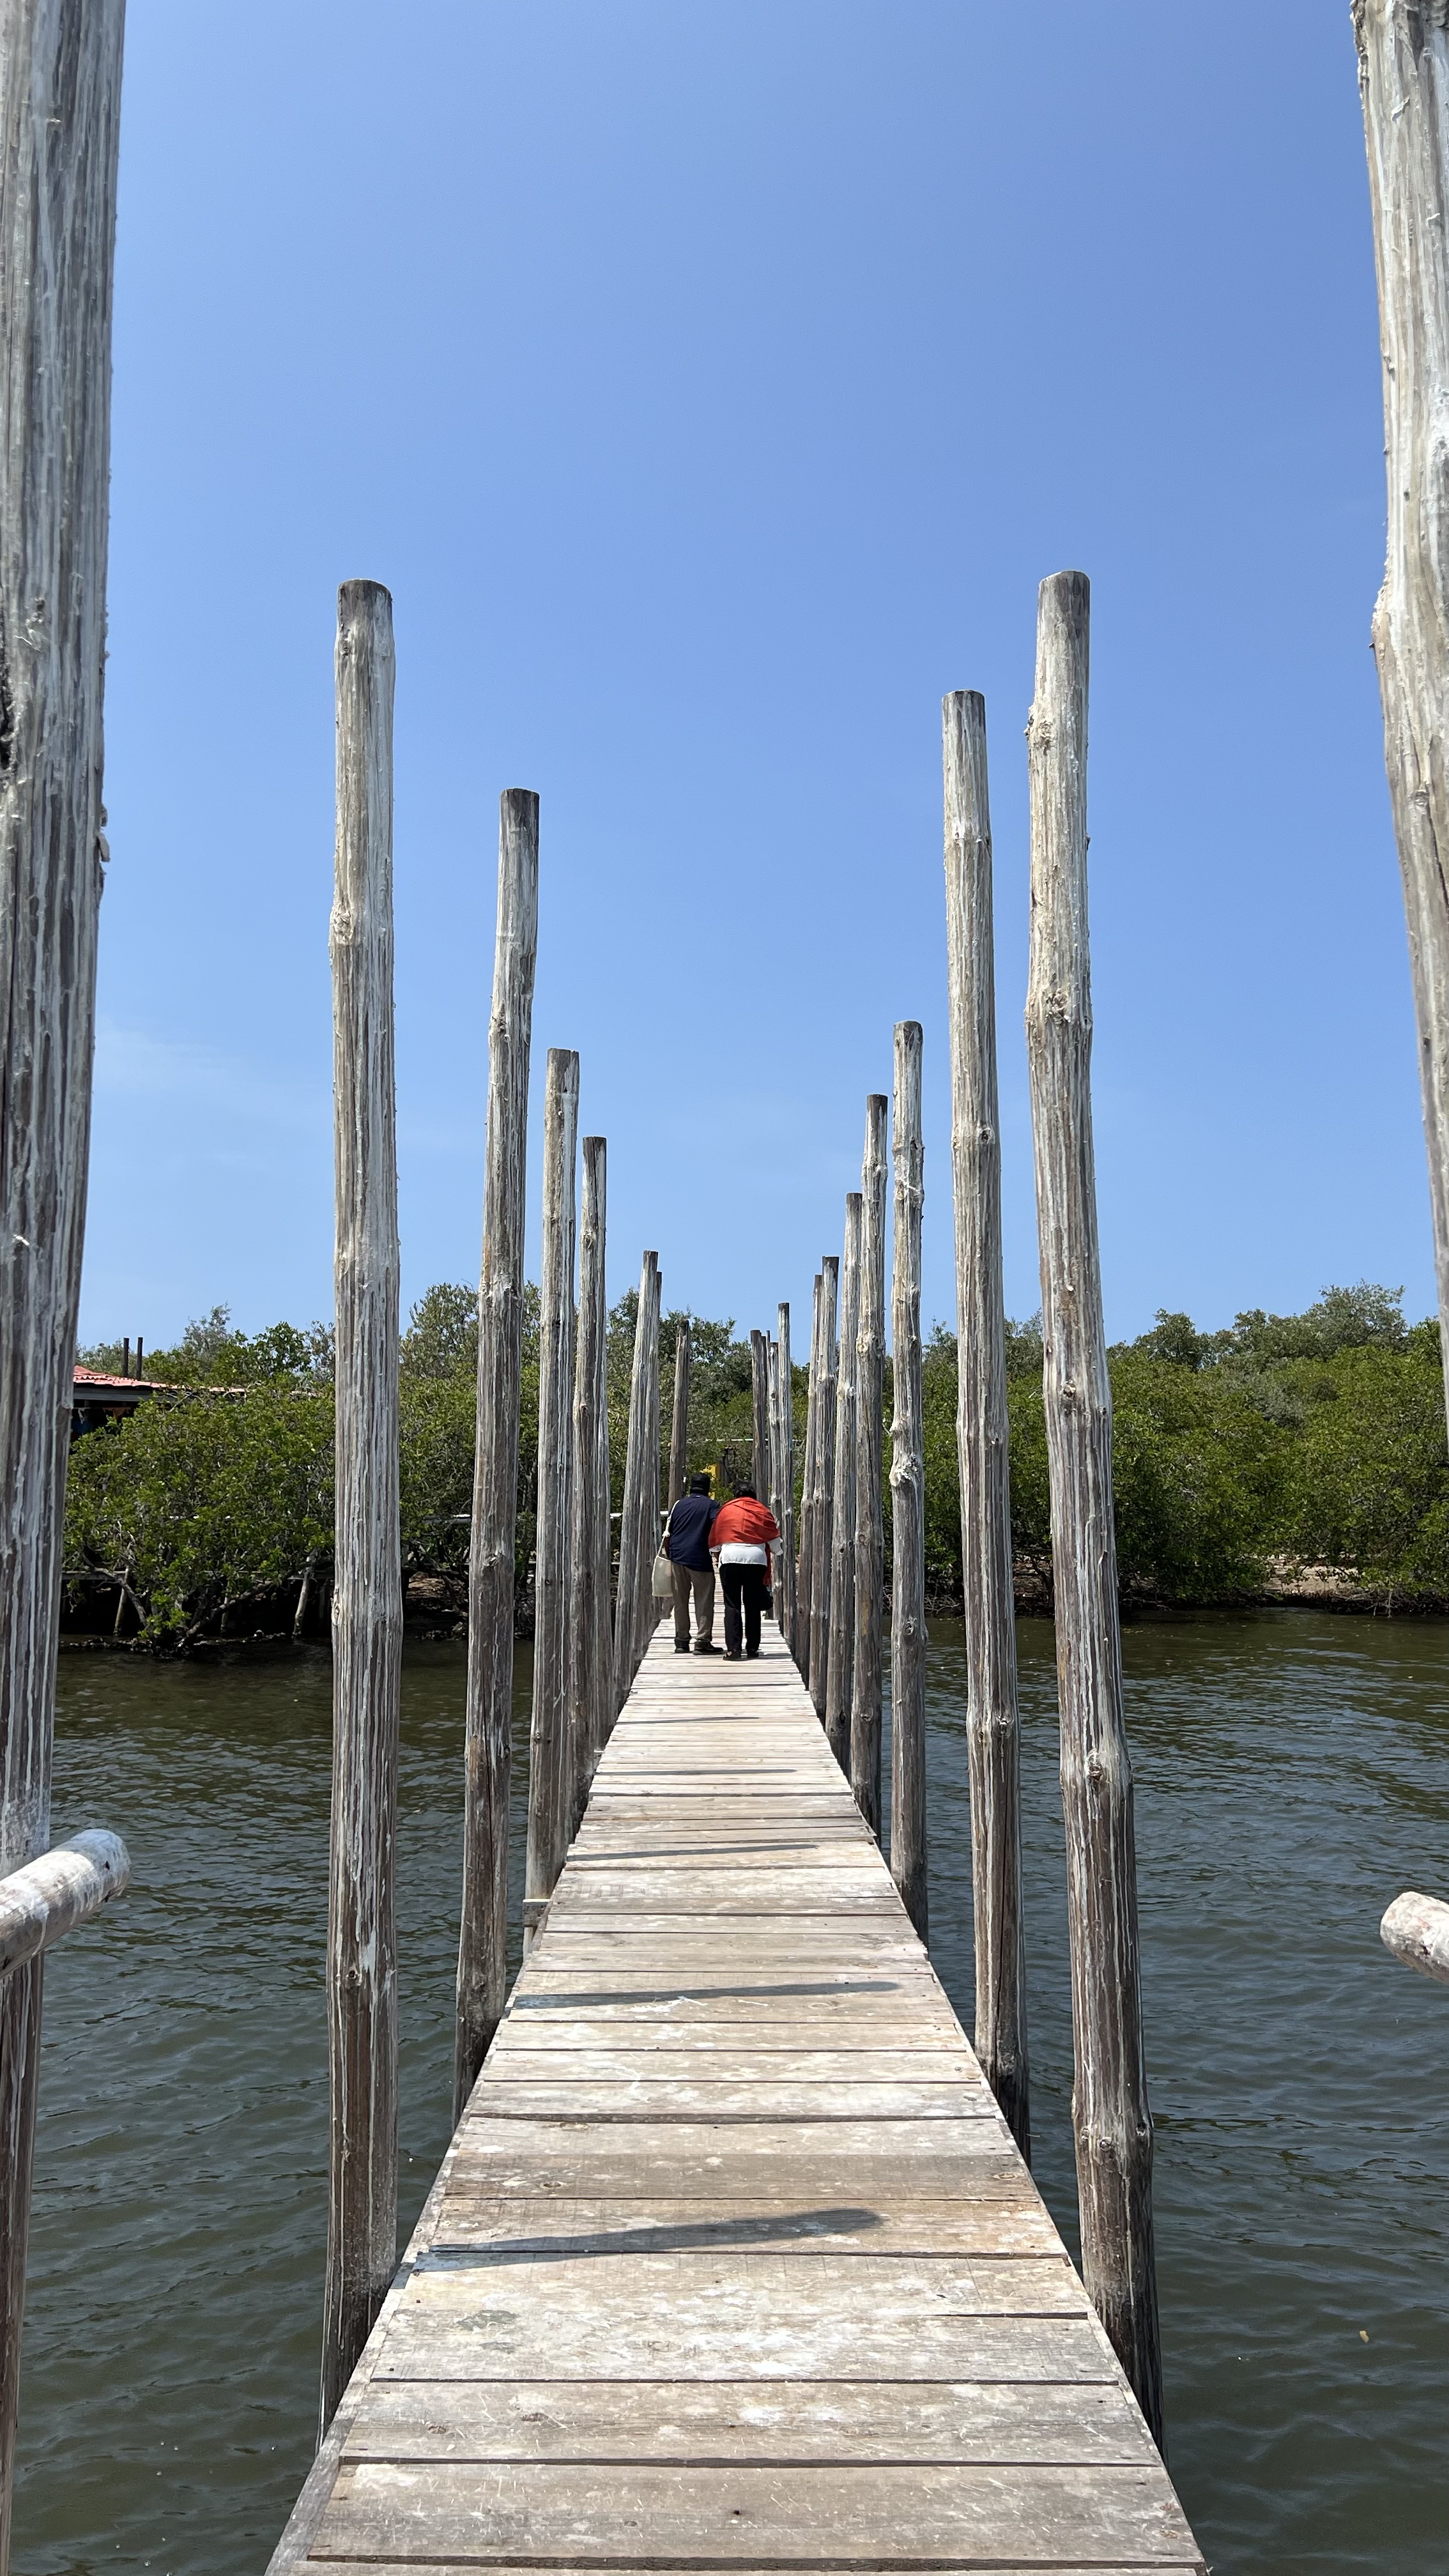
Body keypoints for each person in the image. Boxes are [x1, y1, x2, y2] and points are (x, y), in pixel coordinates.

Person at [709, 1482, 780, 1660]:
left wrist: (718, 1554)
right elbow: (776, 1544)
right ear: (753, 1496)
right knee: (753, 1605)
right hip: (756, 1560)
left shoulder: (726, 1510)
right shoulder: (762, 1511)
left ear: (736, 1496)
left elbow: (715, 1542)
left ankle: (734, 1650)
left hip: (730, 1559)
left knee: (732, 1605)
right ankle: (753, 1649)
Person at [663, 1473, 720, 1654]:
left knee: (680, 1601)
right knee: (703, 1601)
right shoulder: (711, 1505)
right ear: (708, 1488)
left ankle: (681, 1641)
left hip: (677, 1557)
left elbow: (669, 1531)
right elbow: (717, 1526)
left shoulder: (678, 1505)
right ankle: (702, 1641)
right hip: (699, 1558)